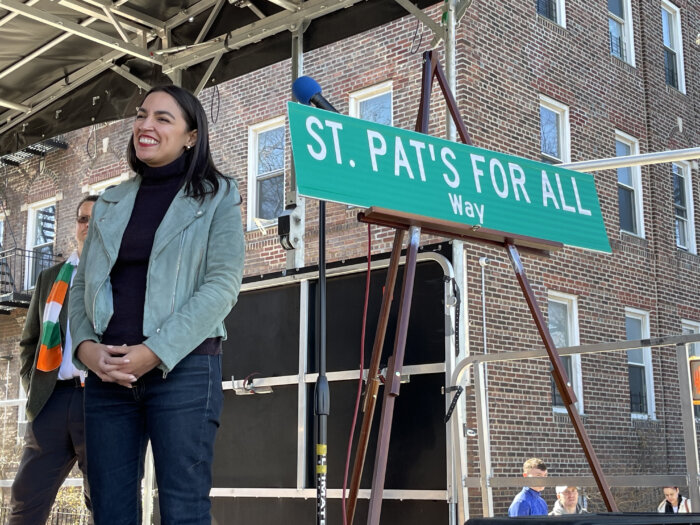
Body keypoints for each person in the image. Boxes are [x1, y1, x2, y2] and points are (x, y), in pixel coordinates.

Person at [69, 84, 245, 525]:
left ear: (191, 135)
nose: (146, 125)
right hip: (108, 375)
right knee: (109, 512)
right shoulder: (109, 200)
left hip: (183, 371)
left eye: (163, 118)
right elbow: (80, 288)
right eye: (141, 114)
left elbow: (222, 285)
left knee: (183, 511)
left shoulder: (219, 195)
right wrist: (87, 350)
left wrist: (155, 351)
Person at [9, 195, 97, 524]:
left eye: (96, 219)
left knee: (106, 499)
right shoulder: (51, 277)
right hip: (53, 400)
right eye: (82, 218)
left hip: (102, 400)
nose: (87, 225)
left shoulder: (121, 274)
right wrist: (35, 390)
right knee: (25, 497)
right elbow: (29, 341)